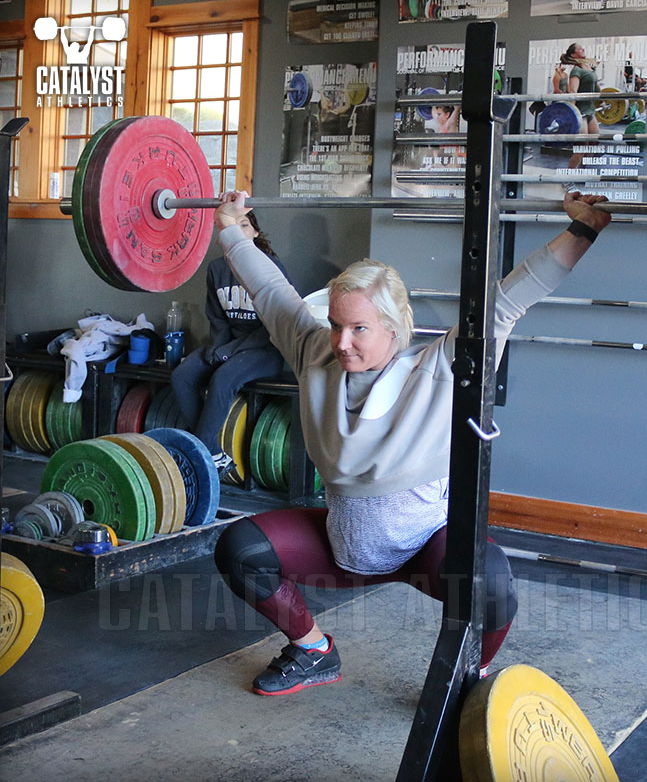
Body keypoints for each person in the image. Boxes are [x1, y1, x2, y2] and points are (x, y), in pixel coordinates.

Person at [213, 189, 611, 696]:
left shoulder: (437, 369)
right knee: (239, 548)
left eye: (359, 328)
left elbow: (509, 300)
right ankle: (314, 649)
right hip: (341, 550)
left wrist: (585, 229)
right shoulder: (314, 353)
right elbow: (269, 289)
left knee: (490, 581)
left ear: (396, 327)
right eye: (336, 325)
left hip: (428, 553)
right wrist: (230, 227)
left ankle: (471, 675)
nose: (341, 341)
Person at [171, 210, 289, 478]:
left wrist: (228, 353)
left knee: (223, 378)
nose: (238, 232)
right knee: (182, 375)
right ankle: (213, 453)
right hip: (229, 345)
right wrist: (217, 347)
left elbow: (276, 324)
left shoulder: (271, 267)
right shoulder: (217, 269)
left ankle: (197, 459)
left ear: (255, 233)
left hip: (265, 349)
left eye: (244, 226)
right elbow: (217, 317)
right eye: (232, 227)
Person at [562, 43, 600, 175]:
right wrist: (571, 114)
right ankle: (568, 177)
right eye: (579, 48)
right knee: (582, 147)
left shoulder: (589, 67)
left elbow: (596, 87)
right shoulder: (576, 70)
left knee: (594, 143)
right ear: (573, 54)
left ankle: (584, 171)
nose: (583, 49)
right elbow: (573, 91)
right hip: (580, 112)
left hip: (590, 111)